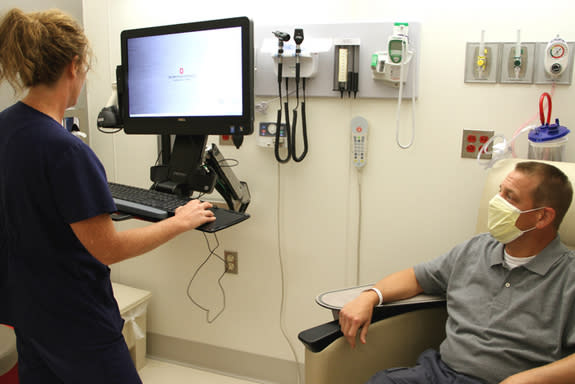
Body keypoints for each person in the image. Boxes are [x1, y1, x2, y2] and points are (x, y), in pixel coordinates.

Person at [0, 8, 216, 384]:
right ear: (73, 66)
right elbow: (108, 248)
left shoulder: (5, 127)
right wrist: (179, 221)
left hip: (26, 310)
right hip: (75, 319)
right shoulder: (66, 151)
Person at [339, 161, 575, 384]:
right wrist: (370, 296)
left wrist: (527, 380)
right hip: (441, 373)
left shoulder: (568, 276)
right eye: (500, 191)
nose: (497, 202)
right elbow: (416, 277)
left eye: (510, 197)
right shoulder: (476, 249)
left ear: (542, 216)